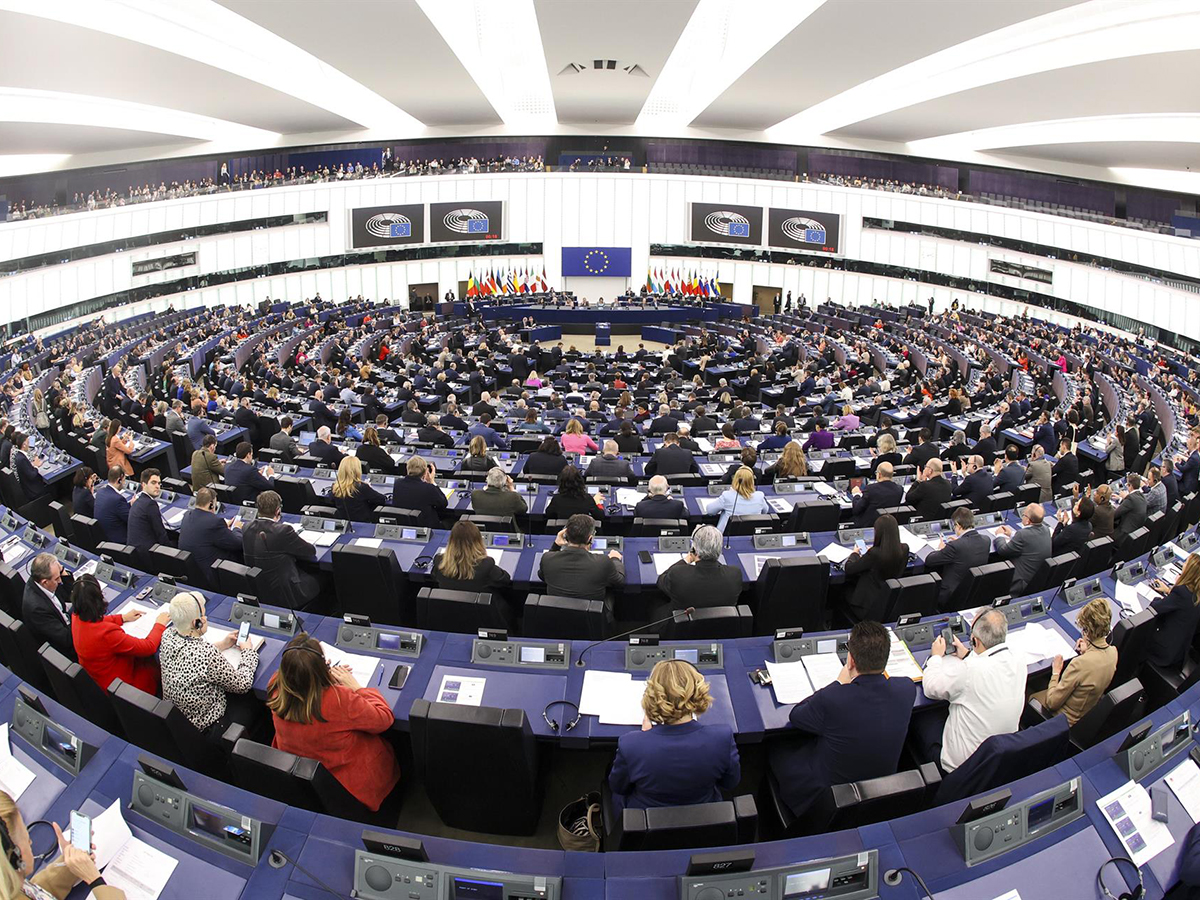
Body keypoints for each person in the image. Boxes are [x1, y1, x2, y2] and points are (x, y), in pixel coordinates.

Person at [768, 621, 915, 818]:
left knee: (776, 750)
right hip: (879, 788)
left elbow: (797, 716)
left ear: (851, 660)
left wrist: (839, 682)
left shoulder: (833, 698)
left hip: (829, 796)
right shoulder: (907, 688)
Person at [268, 633, 401, 812]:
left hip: (303, 779)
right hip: (348, 784)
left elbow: (302, 687)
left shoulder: (276, 686)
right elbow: (384, 718)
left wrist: (319, 676)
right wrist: (356, 687)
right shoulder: (339, 699)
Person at [607, 659, 740, 817]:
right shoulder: (722, 737)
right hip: (705, 820)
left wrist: (643, 739)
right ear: (697, 693)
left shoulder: (631, 744)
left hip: (647, 825)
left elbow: (618, 787)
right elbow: (730, 783)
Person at [918, 609, 1026, 773]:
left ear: (976, 641)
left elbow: (930, 688)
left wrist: (935, 657)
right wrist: (968, 655)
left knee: (920, 718)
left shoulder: (970, 670)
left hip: (960, 767)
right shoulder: (1019, 660)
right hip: (996, 759)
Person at [158, 591, 260, 734]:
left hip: (180, 721)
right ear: (196, 623)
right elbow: (242, 684)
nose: (206, 618)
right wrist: (248, 652)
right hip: (208, 726)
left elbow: (189, 654)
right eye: (203, 616)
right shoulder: (206, 654)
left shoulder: (167, 635)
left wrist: (222, 644)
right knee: (254, 704)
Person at [0, 787, 126, 899]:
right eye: (26, 839)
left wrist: (69, 864)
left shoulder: (7, 885)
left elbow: (30, 893)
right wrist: (94, 879)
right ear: (15, 857)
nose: (31, 842)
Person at [71, 574, 170, 693]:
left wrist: (122, 618)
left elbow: (95, 622)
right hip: (125, 688)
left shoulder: (76, 616)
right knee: (158, 663)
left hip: (102, 681)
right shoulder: (107, 633)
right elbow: (149, 647)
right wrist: (160, 624)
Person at [1029, 597, 1117, 726]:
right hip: (1086, 714)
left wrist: (1056, 672)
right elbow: (1096, 664)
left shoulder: (1080, 663)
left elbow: (1052, 703)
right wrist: (1089, 649)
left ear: (1087, 630)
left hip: (1065, 720)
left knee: (1028, 694)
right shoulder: (1113, 652)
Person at [242, 491, 321, 609]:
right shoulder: (283, 531)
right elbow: (310, 551)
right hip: (288, 592)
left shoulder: (246, 527)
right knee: (324, 578)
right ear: (278, 510)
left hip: (261, 589)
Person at [538, 513, 623, 606]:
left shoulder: (547, 558)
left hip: (557, 614)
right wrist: (615, 559)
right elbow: (619, 581)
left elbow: (542, 576)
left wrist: (556, 545)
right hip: (591, 618)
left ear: (565, 535)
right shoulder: (603, 562)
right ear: (590, 538)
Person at [657, 525, 743, 611]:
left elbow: (661, 580)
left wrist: (687, 559)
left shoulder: (678, 574)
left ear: (694, 549)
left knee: (654, 604)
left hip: (684, 623)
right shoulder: (735, 575)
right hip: (722, 623)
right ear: (720, 549)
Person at [923, 507, 992, 611]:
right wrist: (959, 541)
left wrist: (942, 549)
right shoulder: (986, 540)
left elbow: (929, 560)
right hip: (971, 593)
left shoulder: (955, 546)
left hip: (950, 595)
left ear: (958, 525)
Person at [844, 514, 908, 621]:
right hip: (887, 602)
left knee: (840, 591)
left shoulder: (874, 554)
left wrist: (854, 554)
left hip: (866, 606)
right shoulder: (904, 549)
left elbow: (849, 569)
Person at [434, 520, 514, 605]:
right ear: (478, 541)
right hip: (484, 614)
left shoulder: (439, 561)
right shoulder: (486, 565)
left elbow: (434, 576)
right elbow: (505, 580)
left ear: (451, 541)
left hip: (449, 613)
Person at [1146, 554, 1200, 668]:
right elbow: (1185, 603)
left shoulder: (1181, 591)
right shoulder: (1196, 594)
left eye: (1185, 563)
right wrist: (1169, 590)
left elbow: (1155, 608)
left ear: (1189, 570)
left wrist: (1160, 597)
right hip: (1179, 653)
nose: (1183, 564)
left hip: (1163, 652)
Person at [22, 552, 75, 661]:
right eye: (57, 578)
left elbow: (70, 595)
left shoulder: (43, 581)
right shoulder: (37, 608)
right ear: (45, 582)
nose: (60, 581)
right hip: (64, 652)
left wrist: (62, 571)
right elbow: (67, 639)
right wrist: (80, 605)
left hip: (67, 625)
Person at [178, 486, 243, 574]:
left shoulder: (187, 515)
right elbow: (237, 543)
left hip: (193, 569)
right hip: (213, 571)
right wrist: (236, 528)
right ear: (211, 504)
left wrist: (224, 527)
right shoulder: (215, 522)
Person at [992, 503, 1051, 594]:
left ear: (1028, 521)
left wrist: (999, 535)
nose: (1022, 516)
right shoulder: (1046, 529)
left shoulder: (1023, 535)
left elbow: (1003, 550)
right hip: (1036, 579)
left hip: (1020, 583)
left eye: (1024, 514)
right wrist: (1012, 534)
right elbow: (1029, 540)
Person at [390, 456, 448, 528]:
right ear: (425, 472)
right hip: (426, 528)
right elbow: (444, 503)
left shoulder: (397, 484)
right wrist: (432, 482)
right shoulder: (428, 488)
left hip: (403, 525)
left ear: (407, 469)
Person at [711, 467, 770, 532]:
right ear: (752, 481)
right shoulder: (759, 496)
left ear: (735, 479)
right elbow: (765, 511)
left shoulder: (727, 496)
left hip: (726, 537)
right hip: (750, 535)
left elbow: (710, 511)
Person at [126, 467, 170, 554]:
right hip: (147, 554)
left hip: (135, 551)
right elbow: (161, 534)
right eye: (153, 483)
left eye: (159, 483)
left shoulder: (137, 501)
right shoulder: (150, 504)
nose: (157, 486)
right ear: (144, 485)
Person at [331, 456, 387, 523]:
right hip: (364, 523)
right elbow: (382, 499)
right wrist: (369, 489)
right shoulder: (362, 488)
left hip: (345, 523)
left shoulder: (335, 487)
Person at [850, 462, 904, 527]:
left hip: (869, 525)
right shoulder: (899, 489)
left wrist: (856, 494)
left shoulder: (870, 489)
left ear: (879, 474)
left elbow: (856, 510)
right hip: (888, 524)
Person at [93, 466, 131, 543]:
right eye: (124, 479)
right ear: (119, 480)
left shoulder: (100, 492)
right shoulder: (117, 499)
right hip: (121, 540)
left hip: (106, 537)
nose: (124, 482)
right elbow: (131, 519)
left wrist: (130, 504)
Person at [1112, 472, 1148, 543]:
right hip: (1135, 532)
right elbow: (1132, 505)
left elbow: (1114, 515)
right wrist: (1121, 499)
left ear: (1130, 486)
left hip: (1123, 533)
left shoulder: (1130, 498)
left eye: (1127, 485)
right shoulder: (1142, 496)